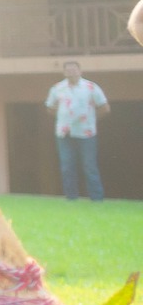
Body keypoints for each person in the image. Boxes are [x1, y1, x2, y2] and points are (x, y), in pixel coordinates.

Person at [46, 60, 110, 203]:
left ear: (80, 71)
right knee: (67, 166)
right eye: (68, 70)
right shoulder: (57, 89)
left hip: (86, 133)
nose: (71, 72)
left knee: (89, 166)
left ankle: (97, 198)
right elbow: (50, 107)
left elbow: (104, 107)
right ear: (64, 72)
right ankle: (71, 197)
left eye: (74, 69)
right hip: (64, 133)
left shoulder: (90, 87)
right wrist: (64, 117)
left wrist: (90, 119)